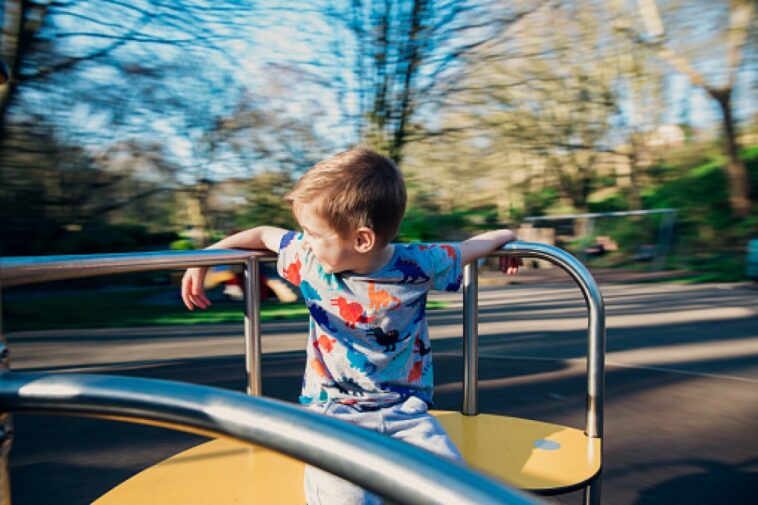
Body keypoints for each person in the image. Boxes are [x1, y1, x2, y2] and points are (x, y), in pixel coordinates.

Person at [181, 147, 521, 505]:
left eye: (312, 234)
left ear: (362, 239)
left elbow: (473, 246)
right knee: (342, 499)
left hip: (406, 412)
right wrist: (204, 259)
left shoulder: (417, 264)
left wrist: (508, 235)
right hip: (332, 412)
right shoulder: (310, 260)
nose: (304, 242)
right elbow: (265, 235)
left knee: (457, 493)